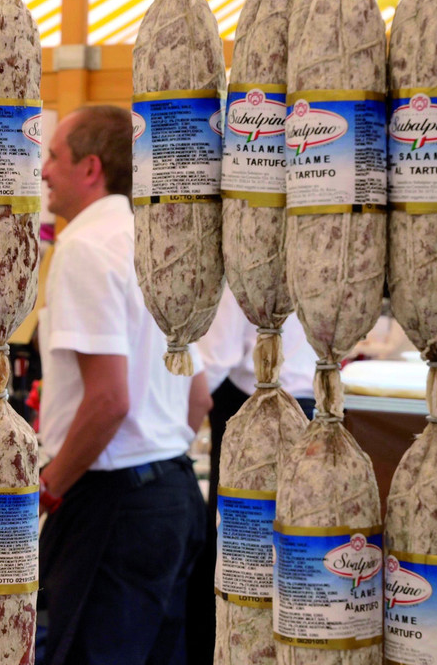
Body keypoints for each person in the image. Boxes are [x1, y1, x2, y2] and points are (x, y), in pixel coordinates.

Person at [37, 105, 211, 665]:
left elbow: (109, 400)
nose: (43, 170)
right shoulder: (157, 244)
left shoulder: (84, 248)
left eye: (54, 157)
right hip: (173, 496)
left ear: (91, 168)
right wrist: (153, 446)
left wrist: (48, 491)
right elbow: (198, 396)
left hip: (112, 503)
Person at [189, 284, 319, 662]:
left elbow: (216, 358)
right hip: (304, 405)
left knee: (243, 564)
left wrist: (175, 430)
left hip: (253, 415)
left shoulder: (242, 274)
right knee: (290, 555)